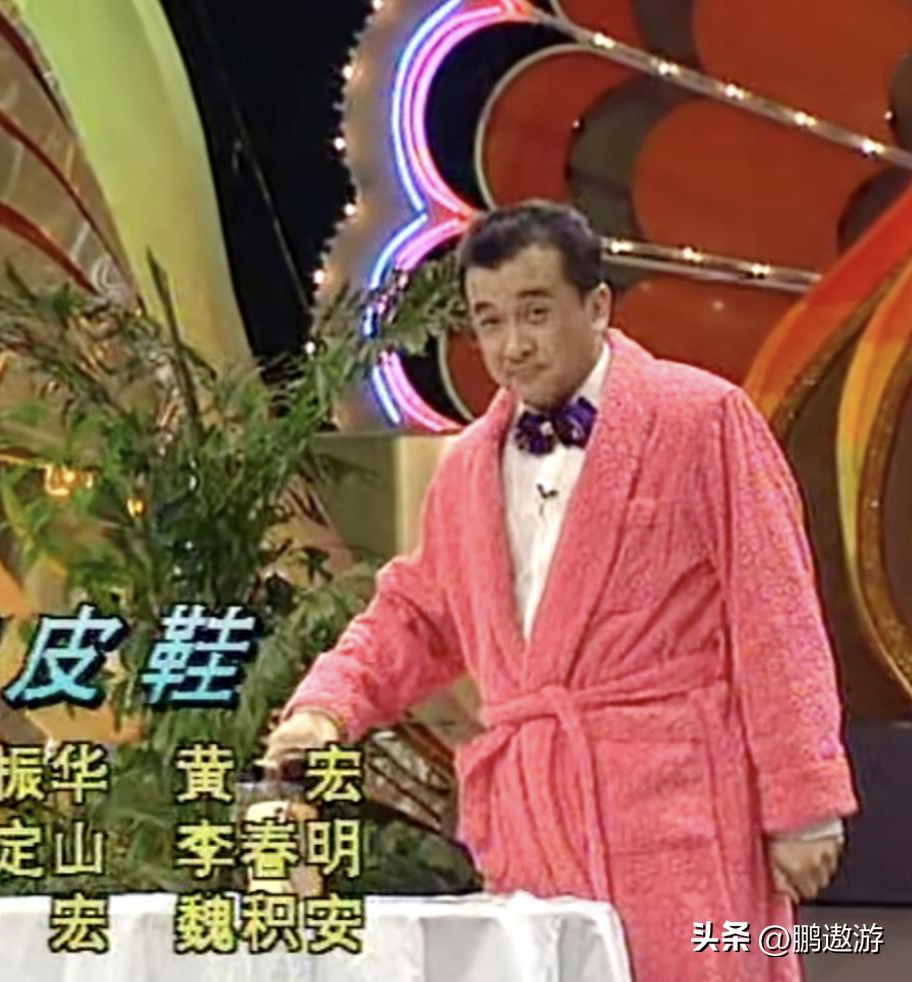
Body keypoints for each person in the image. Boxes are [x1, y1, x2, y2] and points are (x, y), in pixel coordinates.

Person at [262, 201, 858, 981]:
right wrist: (327, 706)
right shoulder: (467, 468)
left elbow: (775, 612)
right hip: (530, 825)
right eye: (490, 320)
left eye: (535, 312)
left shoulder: (702, 418)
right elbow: (414, 615)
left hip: (678, 813)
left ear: (597, 305)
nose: (512, 345)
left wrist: (805, 801)